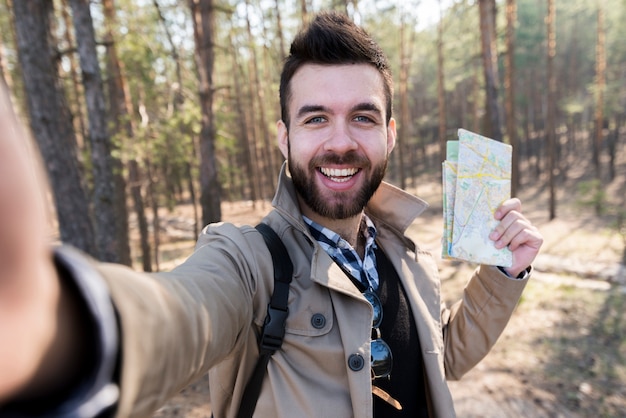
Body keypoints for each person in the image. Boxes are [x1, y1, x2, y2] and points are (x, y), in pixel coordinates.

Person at [0, 11, 543, 418]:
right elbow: (181, 312)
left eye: (362, 117)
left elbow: (438, 358)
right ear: (283, 137)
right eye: (314, 119)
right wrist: (53, 326)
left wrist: (503, 274)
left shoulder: (404, 253)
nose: (340, 142)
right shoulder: (249, 261)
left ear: (389, 134)